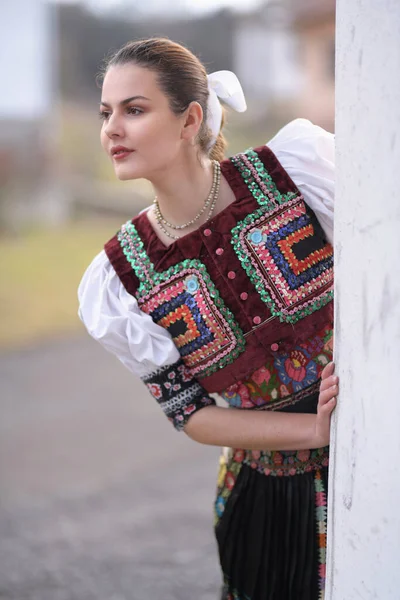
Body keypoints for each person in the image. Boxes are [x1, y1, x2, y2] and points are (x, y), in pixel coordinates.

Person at [78, 37, 338, 600]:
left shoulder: (295, 174)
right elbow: (190, 415)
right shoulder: (119, 279)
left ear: (189, 118)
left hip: (375, 448)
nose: (112, 130)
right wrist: (312, 430)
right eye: (106, 114)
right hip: (266, 500)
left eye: (134, 109)